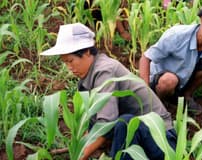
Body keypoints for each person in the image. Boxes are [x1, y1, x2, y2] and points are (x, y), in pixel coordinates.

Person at [40, 23, 176, 160]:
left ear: (87, 52)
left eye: (71, 61)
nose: (69, 67)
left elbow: (105, 125)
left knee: (126, 123)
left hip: (163, 141)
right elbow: (95, 128)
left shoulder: (104, 71)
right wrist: (78, 148)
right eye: (65, 63)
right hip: (141, 140)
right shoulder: (88, 77)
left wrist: (79, 157)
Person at [139, 1, 202, 115]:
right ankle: (159, 103)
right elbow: (145, 57)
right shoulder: (177, 36)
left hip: (183, 81)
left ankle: (185, 96)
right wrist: (146, 94)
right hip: (161, 81)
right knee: (170, 80)